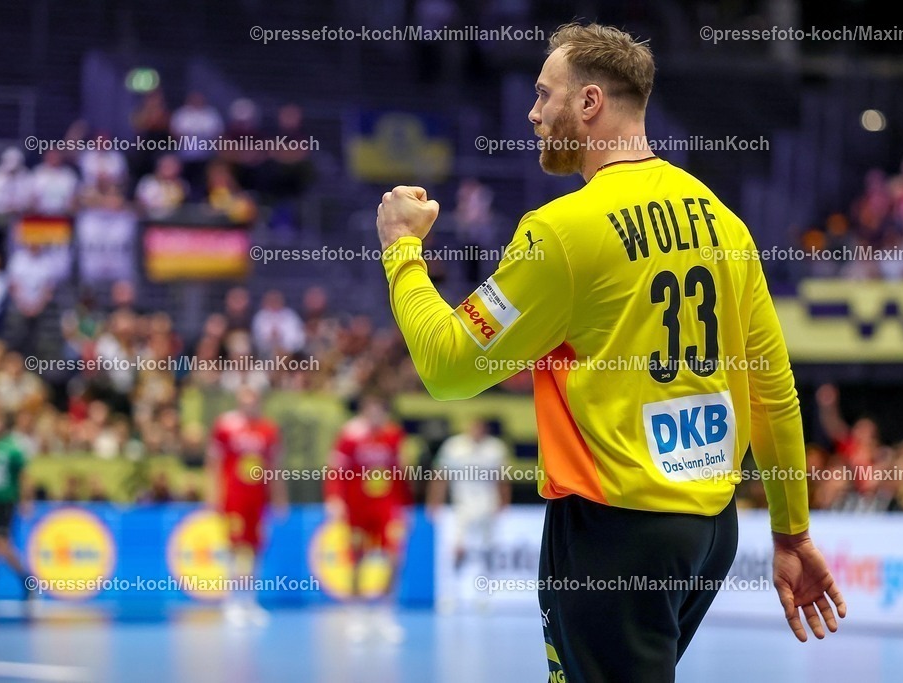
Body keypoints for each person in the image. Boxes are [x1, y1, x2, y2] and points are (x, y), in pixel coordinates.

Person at [375, 22, 846, 682]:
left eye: (544, 94)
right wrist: (792, 531)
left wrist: (401, 250)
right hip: (711, 532)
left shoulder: (563, 233)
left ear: (590, 102)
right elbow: (772, 390)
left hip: (612, 533)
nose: (533, 113)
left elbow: (448, 367)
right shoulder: (724, 221)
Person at [323, 394, 409, 642]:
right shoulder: (350, 436)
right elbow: (336, 470)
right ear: (364, 411)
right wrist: (334, 498)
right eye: (371, 410)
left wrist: (404, 506)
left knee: (394, 557)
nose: (375, 416)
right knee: (357, 558)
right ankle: (356, 614)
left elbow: (401, 473)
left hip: (386, 506)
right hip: (358, 507)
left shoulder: (393, 435)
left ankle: (386, 614)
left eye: (380, 410)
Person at [206, 384, 286, 626]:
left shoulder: (268, 430)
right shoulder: (225, 426)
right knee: (234, 546)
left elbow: (275, 467)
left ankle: (250, 601)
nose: (249, 404)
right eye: (244, 399)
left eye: (253, 399)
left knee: (255, 548)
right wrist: (213, 494)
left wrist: (279, 498)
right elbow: (214, 463)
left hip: (258, 499)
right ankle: (232, 601)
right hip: (234, 497)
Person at [428, 418, 510, 611]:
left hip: (488, 507)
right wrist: (434, 501)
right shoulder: (453, 446)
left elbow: (503, 478)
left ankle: (484, 595)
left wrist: (504, 502)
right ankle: (451, 594)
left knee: (487, 551)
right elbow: (440, 475)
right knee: (457, 550)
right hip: (462, 507)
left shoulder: (496, 448)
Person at [0, 409, 31, 599]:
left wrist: (25, 500)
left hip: (4, 503)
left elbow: (24, 476)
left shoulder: (12, 447)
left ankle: (26, 578)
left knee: (1, 544)